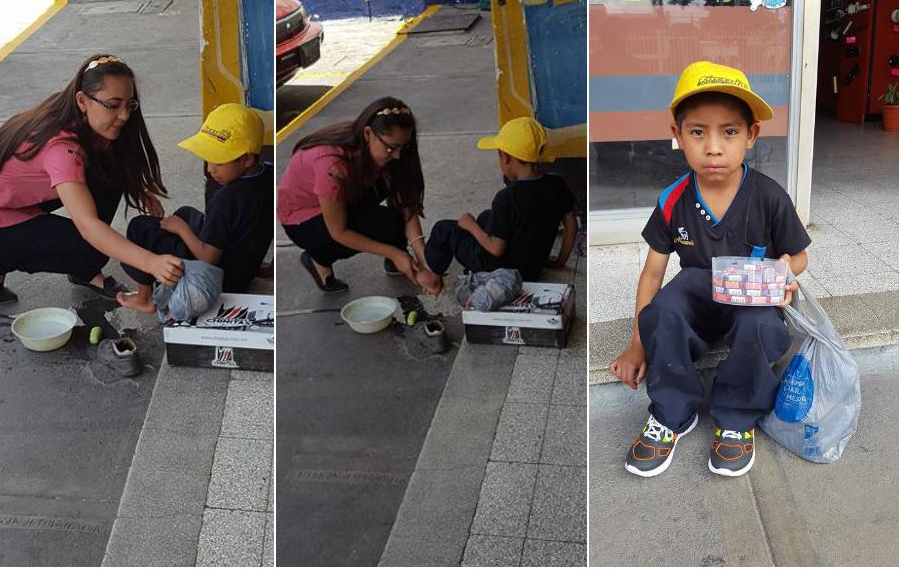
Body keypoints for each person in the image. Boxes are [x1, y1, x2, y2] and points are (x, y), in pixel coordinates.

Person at [608, 61, 810, 478]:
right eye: (698, 132)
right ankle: (672, 413)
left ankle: (736, 418)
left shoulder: (769, 197)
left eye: (729, 132)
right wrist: (637, 344)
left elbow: (799, 255)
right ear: (677, 136)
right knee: (665, 307)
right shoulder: (673, 200)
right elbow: (651, 276)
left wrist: (786, 271)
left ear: (751, 135)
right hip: (699, 298)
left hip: (749, 300)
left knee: (759, 323)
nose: (714, 147)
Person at [0, 54, 183, 304]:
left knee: (108, 166)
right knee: (92, 250)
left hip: (21, 193)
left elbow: (114, 163)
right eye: (113, 105)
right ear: (82, 100)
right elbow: (88, 226)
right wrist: (152, 262)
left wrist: (139, 189)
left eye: (129, 105)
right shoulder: (62, 149)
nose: (124, 116)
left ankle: (81, 269)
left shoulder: (75, 111)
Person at [117, 103, 273, 313]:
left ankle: (146, 298)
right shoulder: (268, 174)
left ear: (246, 159)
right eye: (207, 159)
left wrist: (182, 229)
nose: (210, 169)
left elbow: (208, 258)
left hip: (216, 281)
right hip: (242, 272)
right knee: (186, 213)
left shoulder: (226, 199)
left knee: (141, 229)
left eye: (218, 161)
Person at [278, 96, 426, 292]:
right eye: (390, 147)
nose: (398, 155)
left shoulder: (385, 147)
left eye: (403, 147)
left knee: (393, 222)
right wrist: (394, 253)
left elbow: (406, 204)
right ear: (367, 134)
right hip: (306, 219)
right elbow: (339, 232)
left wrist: (423, 257)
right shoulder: (332, 166)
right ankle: (318, 259)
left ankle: (398, 257)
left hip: (346, 194)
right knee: (357, 233)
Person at [416, 116, 577, 297]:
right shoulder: (557, 185)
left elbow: (495, 249)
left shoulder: (507, 197)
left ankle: (433, 275)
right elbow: (571, 225)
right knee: (487, 216)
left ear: (505, 157)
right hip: (532, 269)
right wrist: (560, 261)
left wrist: (471, 225)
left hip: (501, 272)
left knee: (444, 230)